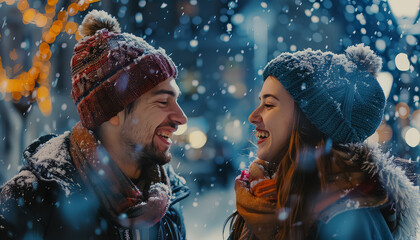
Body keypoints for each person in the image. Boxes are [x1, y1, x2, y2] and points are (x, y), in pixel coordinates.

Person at [0, 10, 189, 240]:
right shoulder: (32, 200)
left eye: (176, 100)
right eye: (162, 101)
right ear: (112, 111)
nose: (181, 118)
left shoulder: (166, 199)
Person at [226, 44, 419, 239]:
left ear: (309, 120)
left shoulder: (350, 219)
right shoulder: (259, 196)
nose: (253, 116)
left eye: (268, 104)